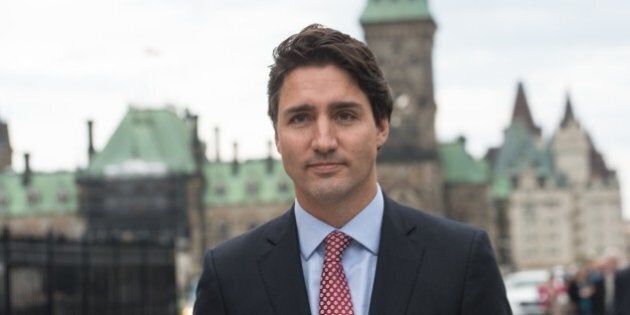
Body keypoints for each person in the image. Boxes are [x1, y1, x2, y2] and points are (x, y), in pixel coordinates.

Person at [193, 24, 511, 315]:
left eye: (344, 115)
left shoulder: (460, 260)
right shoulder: (229, 275)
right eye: (300, 118)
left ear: (382, 126)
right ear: (277, 136)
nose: (324, 141)